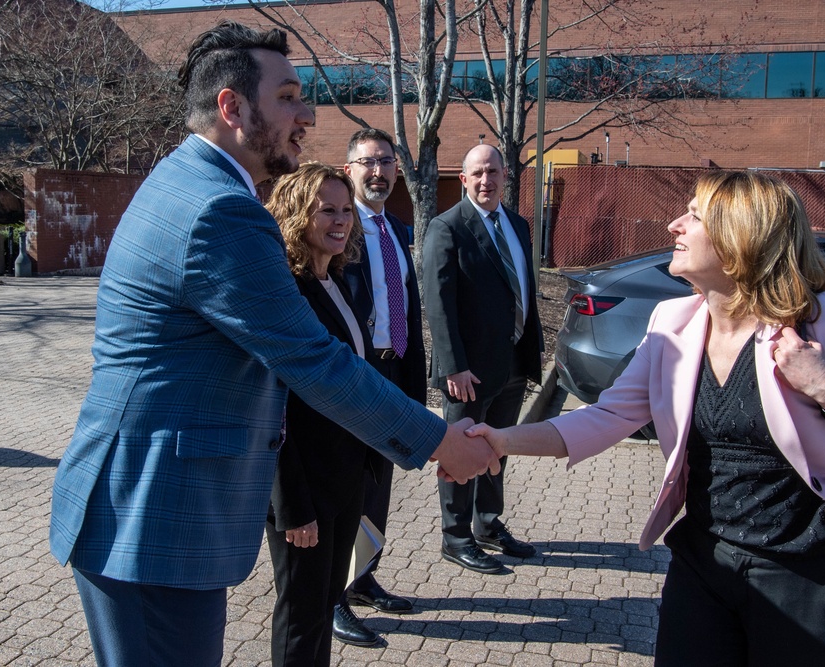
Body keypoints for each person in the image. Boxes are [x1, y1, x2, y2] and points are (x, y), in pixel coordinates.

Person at [48, 22, 498, 667]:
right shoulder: (220, 211)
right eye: (287, 96)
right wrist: (439, 439)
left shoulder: (189, 181)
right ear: (233, 108)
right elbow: (310, 359)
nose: (307, 113)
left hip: (144, 510)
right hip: (150, 518)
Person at [468, 170, 825, 665]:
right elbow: (605, 417)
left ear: (742, 237)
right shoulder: (673, 324)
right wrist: (500, 440)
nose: (674, 224)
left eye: (694, 215)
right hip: (704, 565)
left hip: (810, 578)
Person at [264, 162, 381, 666]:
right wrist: (293, 505)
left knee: (326, 605)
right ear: (294, 215)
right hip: (305, 492)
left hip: (345, 480)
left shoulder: (337, 280)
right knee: (301, 615)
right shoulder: (286, 295)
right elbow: (275, 408)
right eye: (326, 210)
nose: (340, 220)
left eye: (346, 210)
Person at [423, 144, 544, 574]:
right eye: (476, 173)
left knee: (499, 447)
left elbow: (522, 287)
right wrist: (453, 365)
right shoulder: (447, 227)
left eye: (492, 171)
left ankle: (489, 523)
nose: (485, 180)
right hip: (468, 371)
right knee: (461, 453)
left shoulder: (518, 224)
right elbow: (438, 303)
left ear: (505, 175)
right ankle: (456, 537)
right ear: (463, 179)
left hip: (512, 361)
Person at [332, 128, 421, 646]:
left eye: (387, 162)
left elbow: (406, 309)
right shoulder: (342, 232)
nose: (379, 171)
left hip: (393, 371)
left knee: (378, 486)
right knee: (348, 487)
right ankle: (335, 596)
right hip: (353, 378)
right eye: (368, 162)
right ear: (350, 170)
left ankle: (363, 577)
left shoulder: (399, 232)